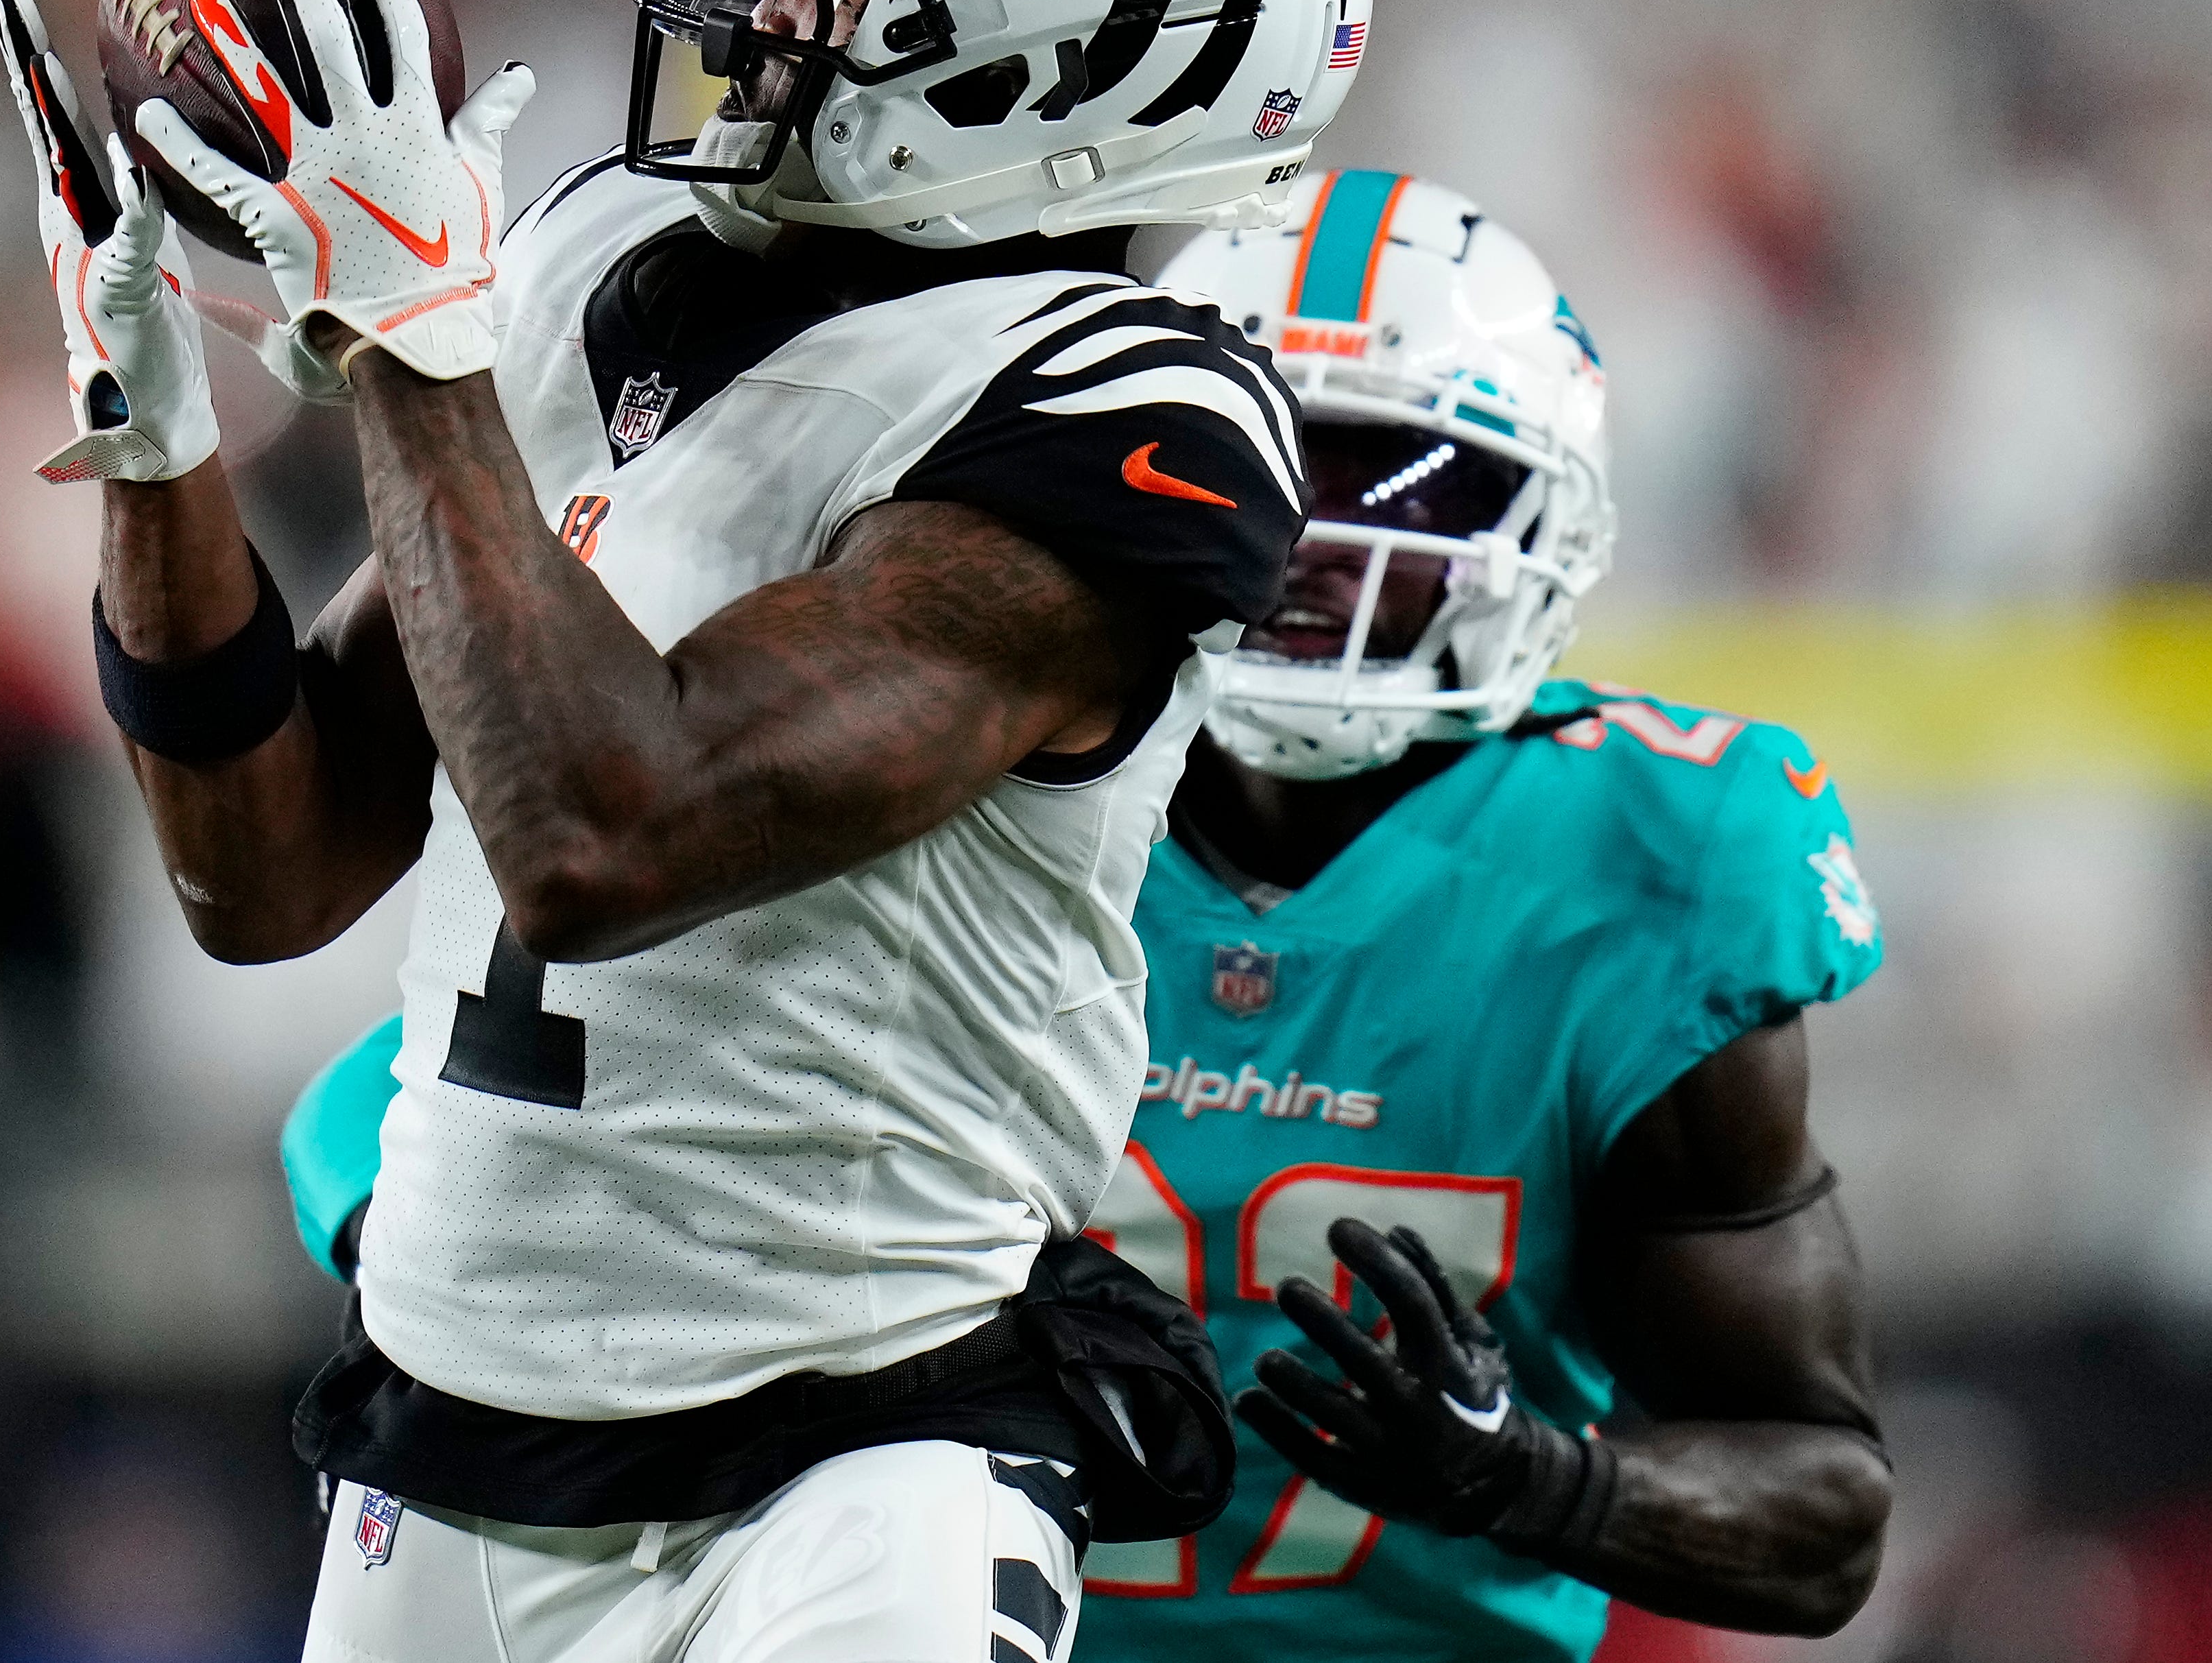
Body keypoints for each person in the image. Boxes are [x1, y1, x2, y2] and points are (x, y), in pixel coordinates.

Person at [0, 0, 1373, 1663]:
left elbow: (605, 830)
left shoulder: (1128, 416)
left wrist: (410, 331)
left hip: (849, 1470)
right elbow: (264, 866)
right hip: (448, 1441)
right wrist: (153, 437)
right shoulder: (603, 257)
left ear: (1056, 83)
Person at [282, 170, 1893, 1660]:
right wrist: (696, 1319)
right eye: (1293, 469)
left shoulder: (1648, 864)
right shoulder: (946, 762)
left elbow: (1822, 1507)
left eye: (1406, 482)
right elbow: (413, 1121)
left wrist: (1536, 1477)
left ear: (1541, 530)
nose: (1325, 548)